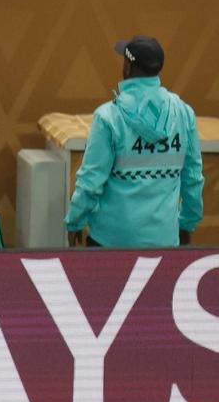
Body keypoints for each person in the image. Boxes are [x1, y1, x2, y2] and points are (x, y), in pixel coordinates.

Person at [65, 35, 204, 248]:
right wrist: (187, 223)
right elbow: (193, 178)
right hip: (164, 241)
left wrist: (75, 221)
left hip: (110, 242)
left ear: (128, 67)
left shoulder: (108, 117)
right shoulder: (184, 114)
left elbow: (90, 182)